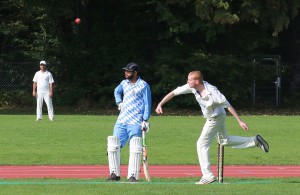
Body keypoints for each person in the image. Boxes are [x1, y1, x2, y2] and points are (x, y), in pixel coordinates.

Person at [155, 70, 269, 185]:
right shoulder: (192, 87)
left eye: (189, 80)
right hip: (217, 116)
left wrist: (240, 121)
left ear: (197, 81)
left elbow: (228, 105)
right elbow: (174, 93)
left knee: (201, 144)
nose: (187, 81)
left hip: (215, 118)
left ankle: (208, 176)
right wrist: (160, 104)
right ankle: (255, 141)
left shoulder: (213, 92)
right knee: (224, 140)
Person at [107, 62, 152, 182]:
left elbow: (147, 103)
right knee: (113, 145)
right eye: (125, 71)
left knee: (135, 147)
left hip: (136, 121)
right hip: (122, 119)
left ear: (135, 73)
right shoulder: (124, 83)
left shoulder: (143, 85)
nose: (126, 73)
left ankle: (133, 175)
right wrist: (119, 102)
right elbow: (116, 91)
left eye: (128, 71)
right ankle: (114, 174)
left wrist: (145, 119)